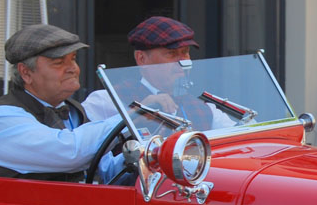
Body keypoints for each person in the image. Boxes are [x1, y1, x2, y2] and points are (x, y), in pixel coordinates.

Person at [0, 24, 125, 182]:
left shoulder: (74, 110)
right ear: (26, 72)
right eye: (58, 62)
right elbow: (70, 153)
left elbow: (106, 172)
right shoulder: (0, 119)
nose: (72, 68)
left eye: (73, 59)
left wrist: (138, 158)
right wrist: (132, 117)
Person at [82, 16, 234, 131]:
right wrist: (133, 115)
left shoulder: (206, 110)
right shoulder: (107, 101)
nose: (183, 62)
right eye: (171, 53)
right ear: (141, 58)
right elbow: (82, 150)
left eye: (185, 52)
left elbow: (239, 138)